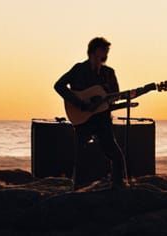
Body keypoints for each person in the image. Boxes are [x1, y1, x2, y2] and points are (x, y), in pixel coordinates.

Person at [54, 37, 127, 189]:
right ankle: (77, 187)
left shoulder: (108, 73)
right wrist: (79, 103)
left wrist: (108, 98)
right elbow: (59, 85)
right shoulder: (79, 69)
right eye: (103, 50)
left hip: (102, 117)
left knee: (114, 152)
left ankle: (119, 184)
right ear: (94, 51)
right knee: (81, 154)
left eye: (107, 51)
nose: (106, 54)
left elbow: (115, 95)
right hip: (82, 118)